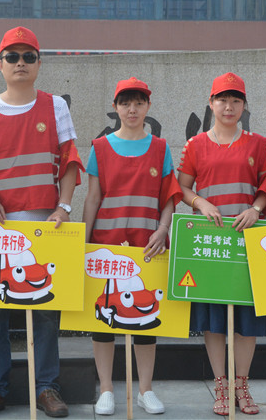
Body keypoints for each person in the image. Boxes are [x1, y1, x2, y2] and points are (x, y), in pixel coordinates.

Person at [0, 26, 84, 419]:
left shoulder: (55, 106)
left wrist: (63, 207)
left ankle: (46, 387)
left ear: (39, 63)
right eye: (12, 57)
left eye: (28, 56)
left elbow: (70, 162)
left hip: (46, 226)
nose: (20, 63)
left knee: (46, 309)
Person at [82, 77, 183, 416]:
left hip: (147, 245)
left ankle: (145, 390)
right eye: (125, 103)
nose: (132, 109)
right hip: (106, 246)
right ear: (115, 107)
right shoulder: (100, 147)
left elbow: (168, 197)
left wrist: (163, 229)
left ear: (148, 106)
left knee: (146, 318)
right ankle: (106, 390)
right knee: (103, 320)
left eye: (139, 102)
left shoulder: (160, 147)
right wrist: (85, 243)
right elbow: (93, 197)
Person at [177, 72, 266, 416]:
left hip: (246, 241)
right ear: (211, 103)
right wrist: (200, 203)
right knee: (213, 318)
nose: (228, 106)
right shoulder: (195, 145)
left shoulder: (258, 144)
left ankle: (242, 384)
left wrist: (255, 209)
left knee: (247, 318)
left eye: (235, 100)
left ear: (244, 105)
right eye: (222, 100)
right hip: (210, 243)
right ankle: (221, 384)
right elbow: (182, 187)